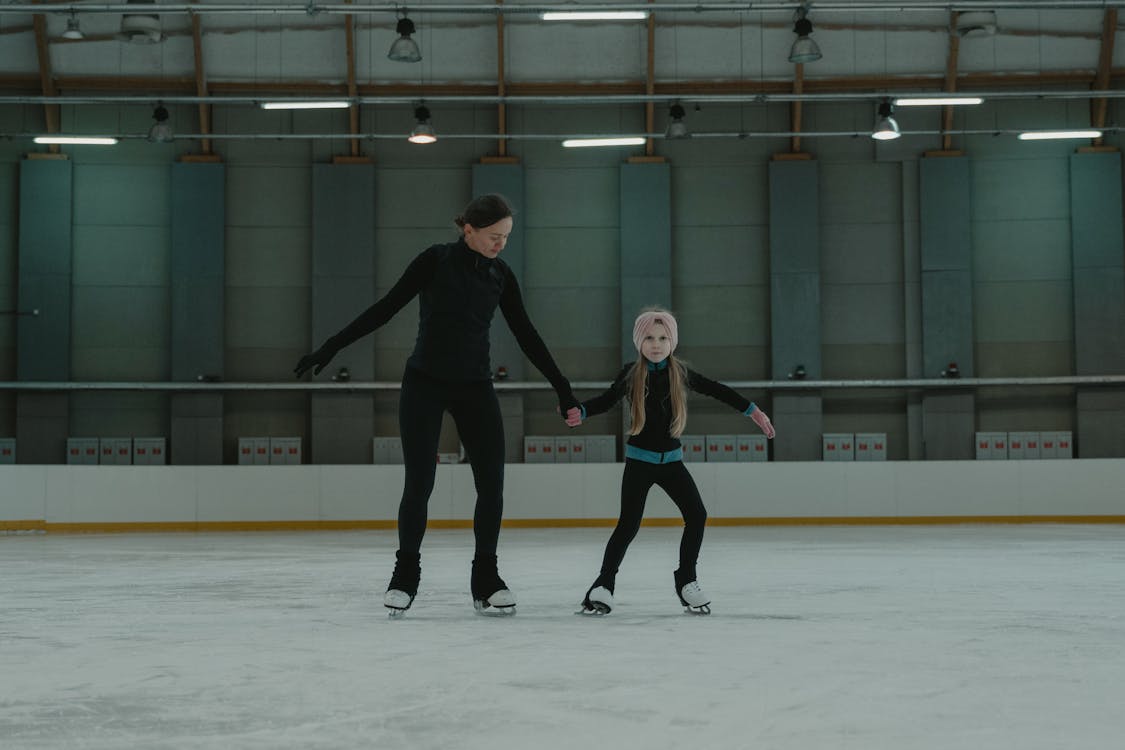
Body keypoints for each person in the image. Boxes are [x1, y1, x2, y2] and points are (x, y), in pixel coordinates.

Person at [294, 194, 580, 617]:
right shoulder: (435, 260)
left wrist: (563, 388)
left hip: (475, 387)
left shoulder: (500, 275)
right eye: (493, 236)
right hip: (425, 383)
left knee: (492, 485)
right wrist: (331, 347)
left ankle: (487, 579)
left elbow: (527, 335)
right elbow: (386, 309)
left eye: (506, 238)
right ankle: (405, 577)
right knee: (420, 483)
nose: (500, 244)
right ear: (469, 230)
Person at [569, 307, 775, 615]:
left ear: (672, 341)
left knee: (697, 515)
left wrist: (753, 412)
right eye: (650, 338)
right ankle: (603, 585)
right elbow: (607, 399)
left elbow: (719, 391)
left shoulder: (681, 373)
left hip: (672, 462)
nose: (656, 344)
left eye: (663, 338)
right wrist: (581, 411)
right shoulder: (631, 374)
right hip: (640, 461)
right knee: (628, 525)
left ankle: (686, 581)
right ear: (640, 342)